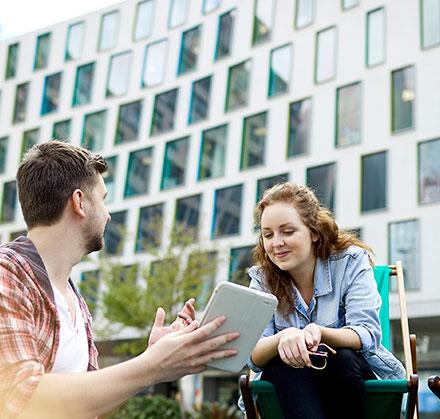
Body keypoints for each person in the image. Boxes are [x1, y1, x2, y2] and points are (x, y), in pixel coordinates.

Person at [0, 141, 239, 418]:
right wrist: (150, 366)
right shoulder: (8, 274)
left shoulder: (74, 300)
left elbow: (89, 407)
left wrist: (151, 358)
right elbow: (18, 397)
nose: (108, 214)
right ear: (79, 202)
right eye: (102, 199)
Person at [246, 182, 405, 419]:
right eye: (268, 235)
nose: (276, 243)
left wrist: (318, 332)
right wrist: (284, 338)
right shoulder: (262, 279)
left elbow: (367, 333)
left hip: (349, 375)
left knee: (341, 356)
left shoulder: (351, 261)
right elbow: (254, 356)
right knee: (283, 360)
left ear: (313, 232)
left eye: (287, 232)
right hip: (289, 382)